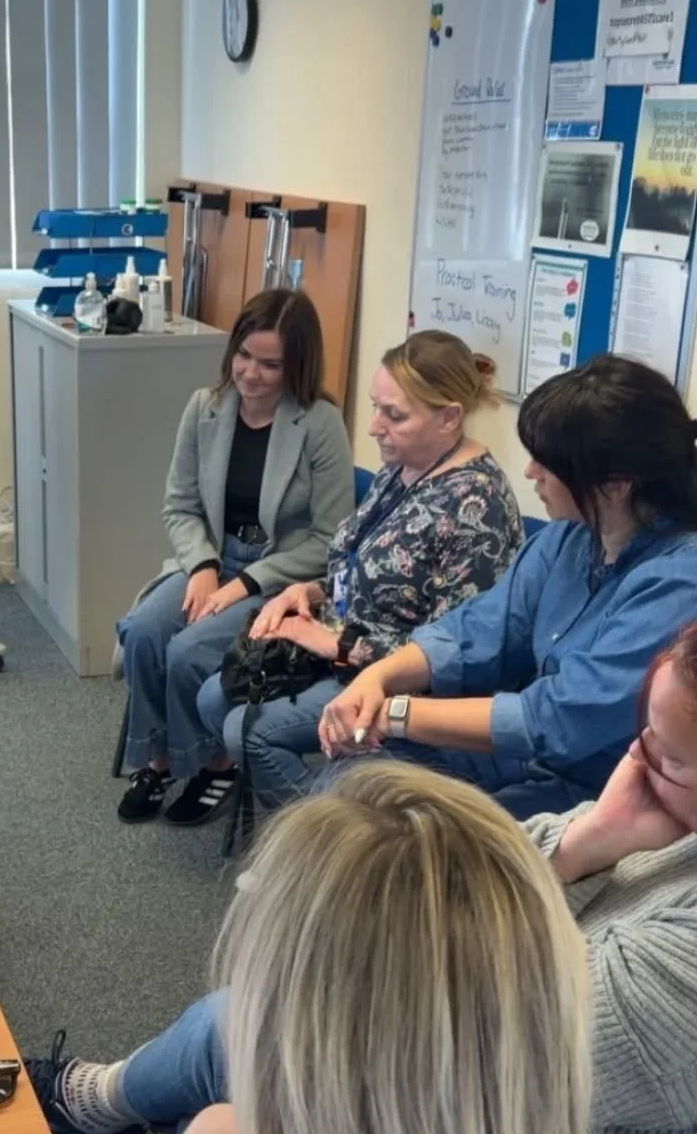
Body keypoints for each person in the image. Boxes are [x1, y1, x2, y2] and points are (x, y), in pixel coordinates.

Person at [28, 621, 697, 1134]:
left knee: (251, 1041)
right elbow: (500, 914)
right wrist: (586, 841)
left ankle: (107, 1100)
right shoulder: (659, 818)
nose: (636, 760)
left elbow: (465, 1010)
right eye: (642, 735)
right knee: (225, 1105)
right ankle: (115, 1102)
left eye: (669, 756)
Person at [317, 351, 697, 817]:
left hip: (595, 793)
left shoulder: (678, 582)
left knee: (410, 840)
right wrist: (379, 677)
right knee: (349, 783)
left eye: (547, 464)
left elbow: (558, 719)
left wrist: (393, 713)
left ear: (616, 484)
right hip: (527, 760)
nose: (531, 474)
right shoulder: (567, 538)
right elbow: (479, 630)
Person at [194, 329, 523, 811]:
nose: (372, 427)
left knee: (253, 736)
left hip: (394, 680)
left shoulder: (476, 504)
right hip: (342, 647)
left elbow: (457, 652)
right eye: (376, 406)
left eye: (394, 415)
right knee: (212, 700)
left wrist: (335, 643)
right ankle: (308, 832)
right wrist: (308, 592)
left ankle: (328, 850)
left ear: (449, 417)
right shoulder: (403, 467)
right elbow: (368, 565)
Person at [116, 288, 353, 826]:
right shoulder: (205, 408)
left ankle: (215, 763)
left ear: (297, 365)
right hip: (212, 558)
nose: (250, 373)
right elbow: (179, 506)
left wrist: (246, 582)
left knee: (186, 651)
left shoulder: (319, 423)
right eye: (244, 355)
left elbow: (331, 540)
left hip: (280, 577)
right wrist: (202, 566)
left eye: (269, 364)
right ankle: (160, 759)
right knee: (146, 631)